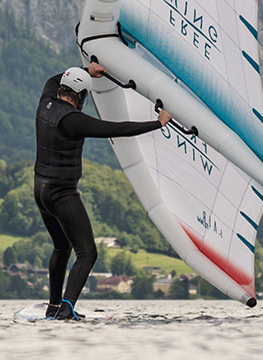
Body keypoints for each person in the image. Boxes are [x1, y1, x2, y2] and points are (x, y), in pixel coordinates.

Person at [34, 61, 171, 320]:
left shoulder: (45, 101)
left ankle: (53, 307)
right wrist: (158, 123)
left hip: (40, 190)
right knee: (87, 252)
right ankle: (66, 309)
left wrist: (86, 70)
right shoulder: (73, 120)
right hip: (61, 193)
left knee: (61, 247)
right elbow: (117, 129)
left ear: (63, 87)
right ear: (83, 96)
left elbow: (52, 79)